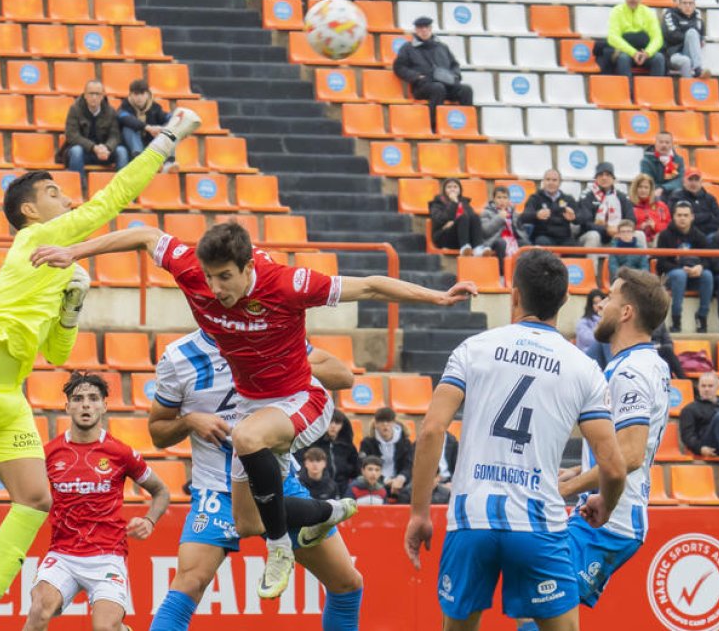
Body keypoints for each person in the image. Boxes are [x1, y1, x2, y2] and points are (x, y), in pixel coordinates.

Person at [0, 108, 202, 631]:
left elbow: (55, 352)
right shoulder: (31, 243)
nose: (67, 199)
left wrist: (72, 307)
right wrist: (165, 142)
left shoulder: (61, 263)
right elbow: (109, 201)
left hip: (8, 399)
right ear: (29, 211)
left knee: (36, 499)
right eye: (54, 193)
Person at [31, 220, 476, 599]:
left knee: (246, 442)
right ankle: (325, 513)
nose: (214, 288)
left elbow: (372, 286)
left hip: (303, 400)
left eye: (225, 276)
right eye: (208, 276)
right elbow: (146, 235)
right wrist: (73, 251)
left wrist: (437, 297)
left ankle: (281, 546)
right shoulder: (193, 271)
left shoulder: (287, 283)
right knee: (246, 521)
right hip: (254, 406)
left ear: (248, 267)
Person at [405, 249, 627, 630]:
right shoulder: (584, 369)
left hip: (471, 518)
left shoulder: (473, 349)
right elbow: (613, 465)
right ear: (565, 299)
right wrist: (605, 503)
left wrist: (419, 513)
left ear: (515, 295)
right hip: (538, 523)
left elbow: (430, 431)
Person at [146, 329, 364, 631]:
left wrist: (281, 359)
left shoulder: (271, 333)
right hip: (216, 490)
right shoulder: (179, 355)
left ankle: (324, 512)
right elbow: (157, 432)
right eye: (210, 282)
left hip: (277, 481)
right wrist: (190, 421)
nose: (218, 293)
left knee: (347, 584)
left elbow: (342, 376)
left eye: (225, 280)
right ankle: (327, 511)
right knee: (189, 583)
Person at [552, 268, 671, 618]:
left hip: (611, 520)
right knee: (549, 611)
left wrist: (567, 488)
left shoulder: (631, 371)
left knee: (541, 607)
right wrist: (579, 471)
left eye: (610, 297)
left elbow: (630, 455)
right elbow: (628, 449)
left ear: (626, 312)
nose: (601, 304)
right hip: (615, 514)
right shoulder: (650, 364)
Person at [23, 373, 170, 631]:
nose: (86, 405)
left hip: (107, 555)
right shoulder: (49, 453)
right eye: (78, 399)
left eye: (93, 398)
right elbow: (27, 495)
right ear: (67, 407)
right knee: (39, 611)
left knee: (105, 628)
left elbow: (161, 491)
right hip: (63, 553)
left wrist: (150, 520)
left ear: (104, 405)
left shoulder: (121, 453)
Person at [393, 16, 473, 132]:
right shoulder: (408, 48)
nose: (424, 30)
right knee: (437, 88)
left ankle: (467, 127)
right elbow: (399, 67)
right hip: (423, 86)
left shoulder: (442, 47)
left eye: (426, 27)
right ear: (416, 30)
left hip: (446, 84)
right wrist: (416, 77)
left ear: (431, 29)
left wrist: (455, 76)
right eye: (421, 28)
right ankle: (434, 126)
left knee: (466, 90)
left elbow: (454, 65)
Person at [656, 202, 714, 333]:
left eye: (686, 215)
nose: (682, 218)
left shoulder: (699, 235)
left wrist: (700, 267)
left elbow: (710, 259)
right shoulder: (665, 235)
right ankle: (676, 319)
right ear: (674, 217)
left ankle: (702, 317)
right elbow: (661, 264)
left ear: (692, 217)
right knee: (679, 275)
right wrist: (681, 268)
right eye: (679, 215)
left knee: (708, 275)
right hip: (671, 277)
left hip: (694, 276)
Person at [58, 80, 129, 183]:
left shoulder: (110, 111)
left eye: (97, 94)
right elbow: (72, 135)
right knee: (76, 151)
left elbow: (115, 135)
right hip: (84, 152)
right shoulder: (75, 109)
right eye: (91, 93)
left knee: (121, 151)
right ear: (85, 95)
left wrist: (107, 147)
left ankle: (122, 188)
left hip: (104, 153)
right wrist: (93, 147)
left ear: (102, 95)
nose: (94, 97)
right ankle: (79, 188)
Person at [605, 0, 665, 83]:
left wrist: (647, 53)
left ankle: (654, 94)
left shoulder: (648, 12)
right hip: (626, 52)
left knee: (659, 58)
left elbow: (657, 38)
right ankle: (629, 94)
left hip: (644, 52)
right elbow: (613, 37)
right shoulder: (616, 11)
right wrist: (633, 53)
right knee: (623, 59)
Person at [578, 162, 636, 255]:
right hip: (594, 235)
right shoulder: (587, 196)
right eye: (601, 175)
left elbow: (631, 219)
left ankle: (640, 269)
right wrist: (606, 230)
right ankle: (592, 269)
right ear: (596, 178)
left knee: (639, 235)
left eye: (608, 175)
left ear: (613, 178)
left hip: (619, 233)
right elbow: (586, 223)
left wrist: (620, 230)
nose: (604, 178)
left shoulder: (622, 197)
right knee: (593, 236)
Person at [358, 407, 413, 503]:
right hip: (376, 479)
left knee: (410, 492)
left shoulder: (405, 442)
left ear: (394, 423)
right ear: (375, 424)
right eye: (381, 422)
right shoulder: (367, 443)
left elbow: (409, 465)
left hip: (400, 482)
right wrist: (385, 480)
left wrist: (400, 479)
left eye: (388, 421)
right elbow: (364, 465)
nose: (385, 425)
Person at [303, 409, 360, 497]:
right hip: (320, 489)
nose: (333, 426)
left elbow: (356, 469)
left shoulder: (348, 446)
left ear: (342, 425)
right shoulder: (313, 444)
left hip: (344, 489)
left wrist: (346, 469)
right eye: (330, 422)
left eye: (337, 423)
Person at [429, 178, 488, 255]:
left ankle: (477, 247)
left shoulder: (464, 202)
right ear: (444, 190)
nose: (452, 189)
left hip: (462, 236)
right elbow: (439, 219)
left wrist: (454, 221)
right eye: (449, 187)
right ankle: (464, 247)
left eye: (455, 187)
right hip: (444, 237)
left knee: (475, 216)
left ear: (460, 190)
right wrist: (454, 203)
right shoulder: (437, 203)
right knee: (462, 217)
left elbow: (471, 219)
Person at [520, 169, 579, 247]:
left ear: (560, 182)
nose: (551, 183)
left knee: (577, 250)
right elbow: (523, 217)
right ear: (543, 181)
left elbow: (581, 217)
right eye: (548, 180)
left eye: (554, 180)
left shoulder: (568, 199)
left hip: (564, 238)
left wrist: (574, 217)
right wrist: (536, 215)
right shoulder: (535, 198)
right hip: (543, 237)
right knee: (542, 243)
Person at [116, 79, 172, 163]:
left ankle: (170, 162)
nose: (139, 97)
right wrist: (148, 128)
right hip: (129, 149)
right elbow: (128, 120)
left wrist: (162, 127)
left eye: (142, 94)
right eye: (136, 94)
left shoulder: (155, 107)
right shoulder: (124, 107)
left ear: (147, 94)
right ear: (130, 95)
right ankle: (138, 156)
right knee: (129, 128)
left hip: (150, 146)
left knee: (170, 131)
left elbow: (165, 117)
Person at [668, 168, 719, 239]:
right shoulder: (676, 197)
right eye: (690, 179)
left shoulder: (710, 198)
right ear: (684, 181)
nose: (693, 183)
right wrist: (707, 216)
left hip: (708, 235)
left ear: (701, 182)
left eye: (696, 180)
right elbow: (676, 220)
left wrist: (695, 220)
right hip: (684, 236)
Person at [661, 0, 706, 79]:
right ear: (679, 5)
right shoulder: (670, 14)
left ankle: (697, 69)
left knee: (692, 33)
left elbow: (701, 37)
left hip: (689, 52)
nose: (688, 6)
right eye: (684, 3)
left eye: (690, 3)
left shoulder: (697, 17)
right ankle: (690, 86)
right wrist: (689, 37)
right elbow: (671, 35)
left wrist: (694, 37)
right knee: (686, 60)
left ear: (694, 5)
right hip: (673, 54)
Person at [479, 186, 527, 265]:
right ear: (494, 199)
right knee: (501, 243)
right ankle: (503, 271)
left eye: (505, 198)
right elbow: (486, 231)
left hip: (512, 239)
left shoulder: (513, 212)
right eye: (499, 197)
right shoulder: (486, 212)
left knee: (525, 243)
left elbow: (520, 230)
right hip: (494, 240)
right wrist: (499, 218)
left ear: (508, 200)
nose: (502, 200)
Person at [629, 173, 670, 245]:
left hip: (657, 242)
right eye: (640, 187)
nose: (643, 190)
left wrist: (655, 226)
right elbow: (625, 227)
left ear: (651, 189)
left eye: (646, 187)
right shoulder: (629, 206)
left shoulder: (661, 206)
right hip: (636, 242)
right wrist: (640, 227)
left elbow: (669, 226)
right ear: (635, 188)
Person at [575, 289, 607, 356]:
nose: (599, 305)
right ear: (590, 305)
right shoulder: (583, 322)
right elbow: (588, 339)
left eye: (601, 302)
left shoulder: (607, 319)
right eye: (595, 303)